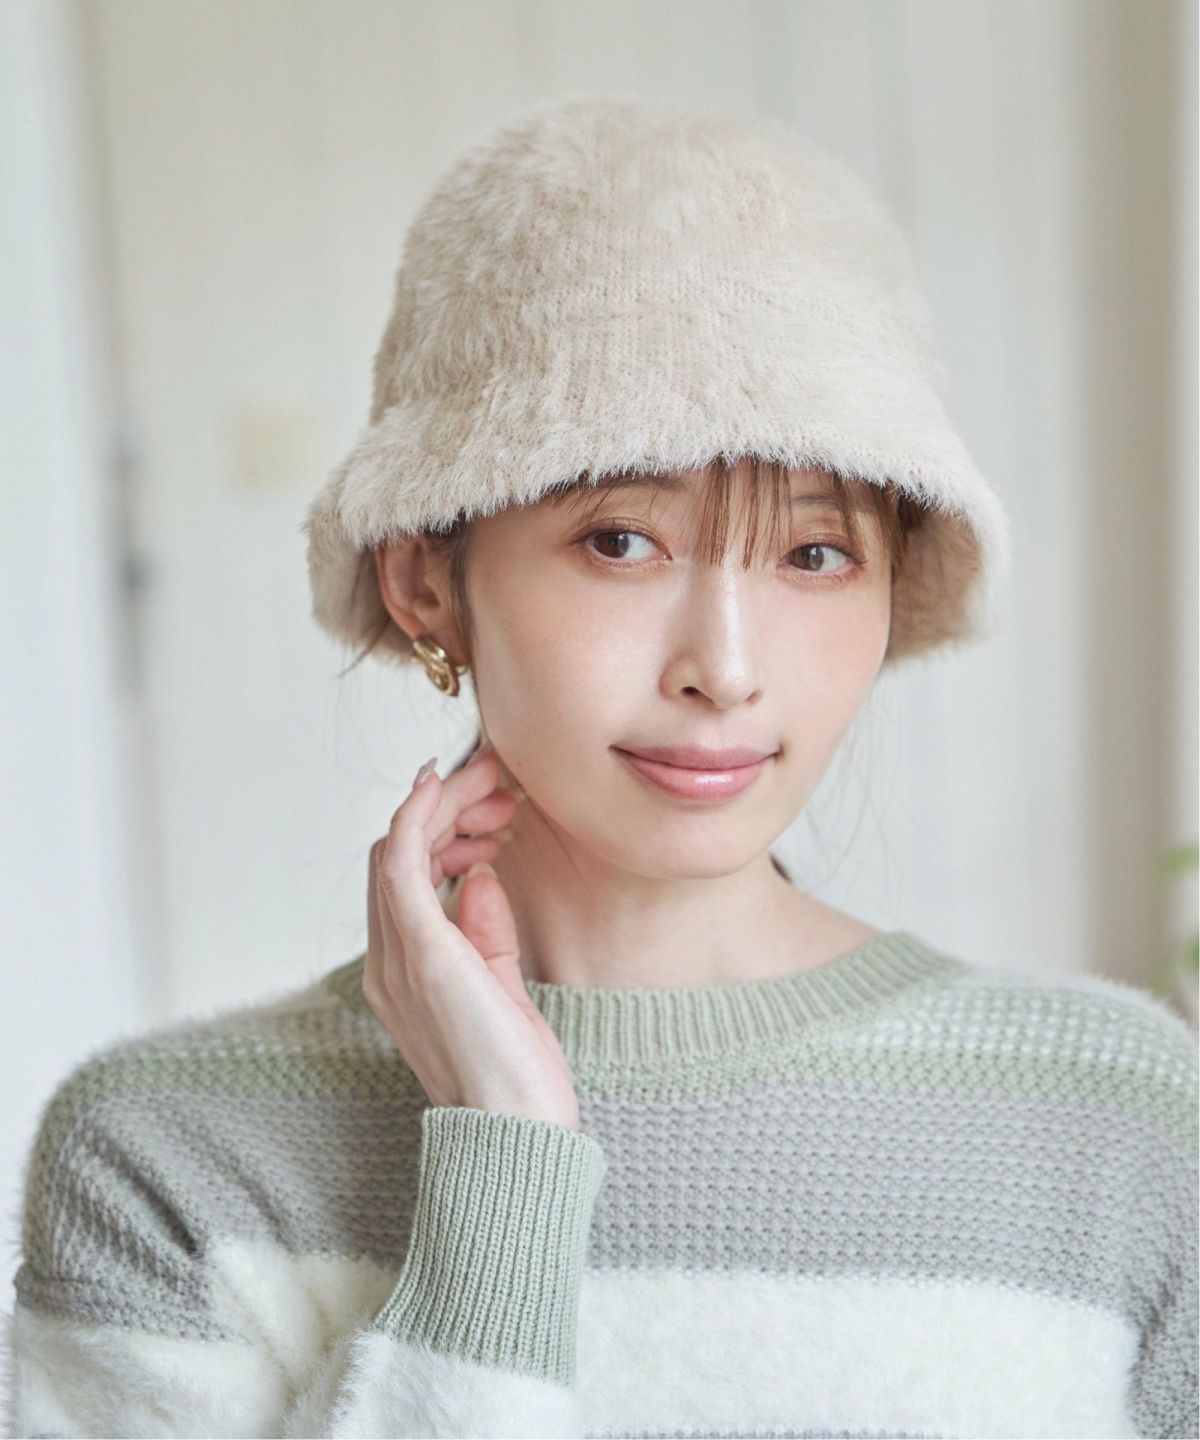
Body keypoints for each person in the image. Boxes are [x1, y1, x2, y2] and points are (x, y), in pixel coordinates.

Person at [6, 94, 1197, 1440]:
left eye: (815, 553)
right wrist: (504, 1170)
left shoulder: (1118, 1120)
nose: (725, 669)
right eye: (622, 541)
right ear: (425, 580)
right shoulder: (169, 1162)